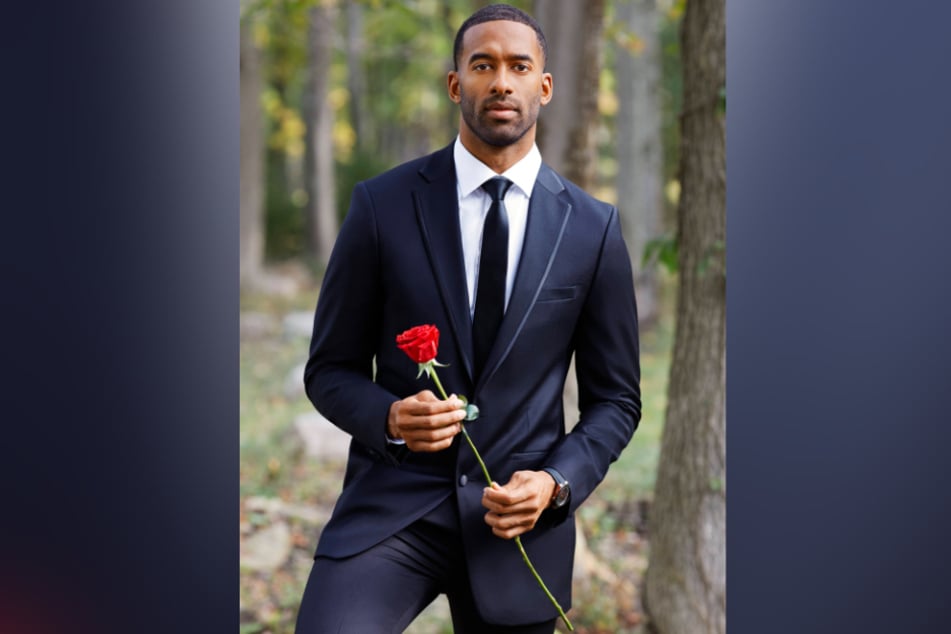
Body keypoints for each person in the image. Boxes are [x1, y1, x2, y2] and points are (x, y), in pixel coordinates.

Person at [296, 4, 640, 633]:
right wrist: (389, 418)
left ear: (545, 86)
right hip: (393, 512)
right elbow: (330, 370)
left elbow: (616, 400)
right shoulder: (381, 205)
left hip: (517, 526)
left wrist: (556, 483)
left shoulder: (594, 230)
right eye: (483, 65)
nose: (500, 81)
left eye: (518, 66)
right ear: (457, 84)